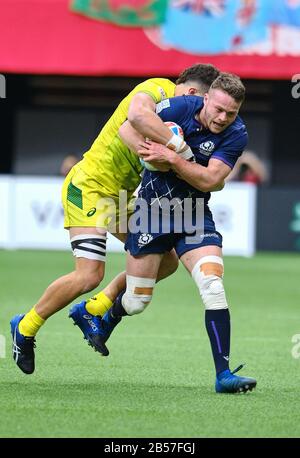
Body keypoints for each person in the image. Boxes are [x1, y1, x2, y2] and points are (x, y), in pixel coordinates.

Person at [10, 63, 221, 374]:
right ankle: (25, 328)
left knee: (166, 259)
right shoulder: (156, 89)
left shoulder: (176, 117)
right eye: (202, 104)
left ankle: (94, 309)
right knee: (88, 274)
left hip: (120, 198)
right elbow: (135, 117)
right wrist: (179, 151)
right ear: (191, 93)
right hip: (90, 187)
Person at [76, 72, 257, 394]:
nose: (222, 118)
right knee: (136, 301)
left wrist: (173, 158)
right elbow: (127, 128)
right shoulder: (177, 108)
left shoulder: (237, 133)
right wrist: (150, 156)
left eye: (231, 113)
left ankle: (223, 375)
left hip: (193, 215)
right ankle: (108, 319)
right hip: (150, 214)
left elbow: (210, 181)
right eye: (218, 109)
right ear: (205, 99)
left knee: (212, 284)